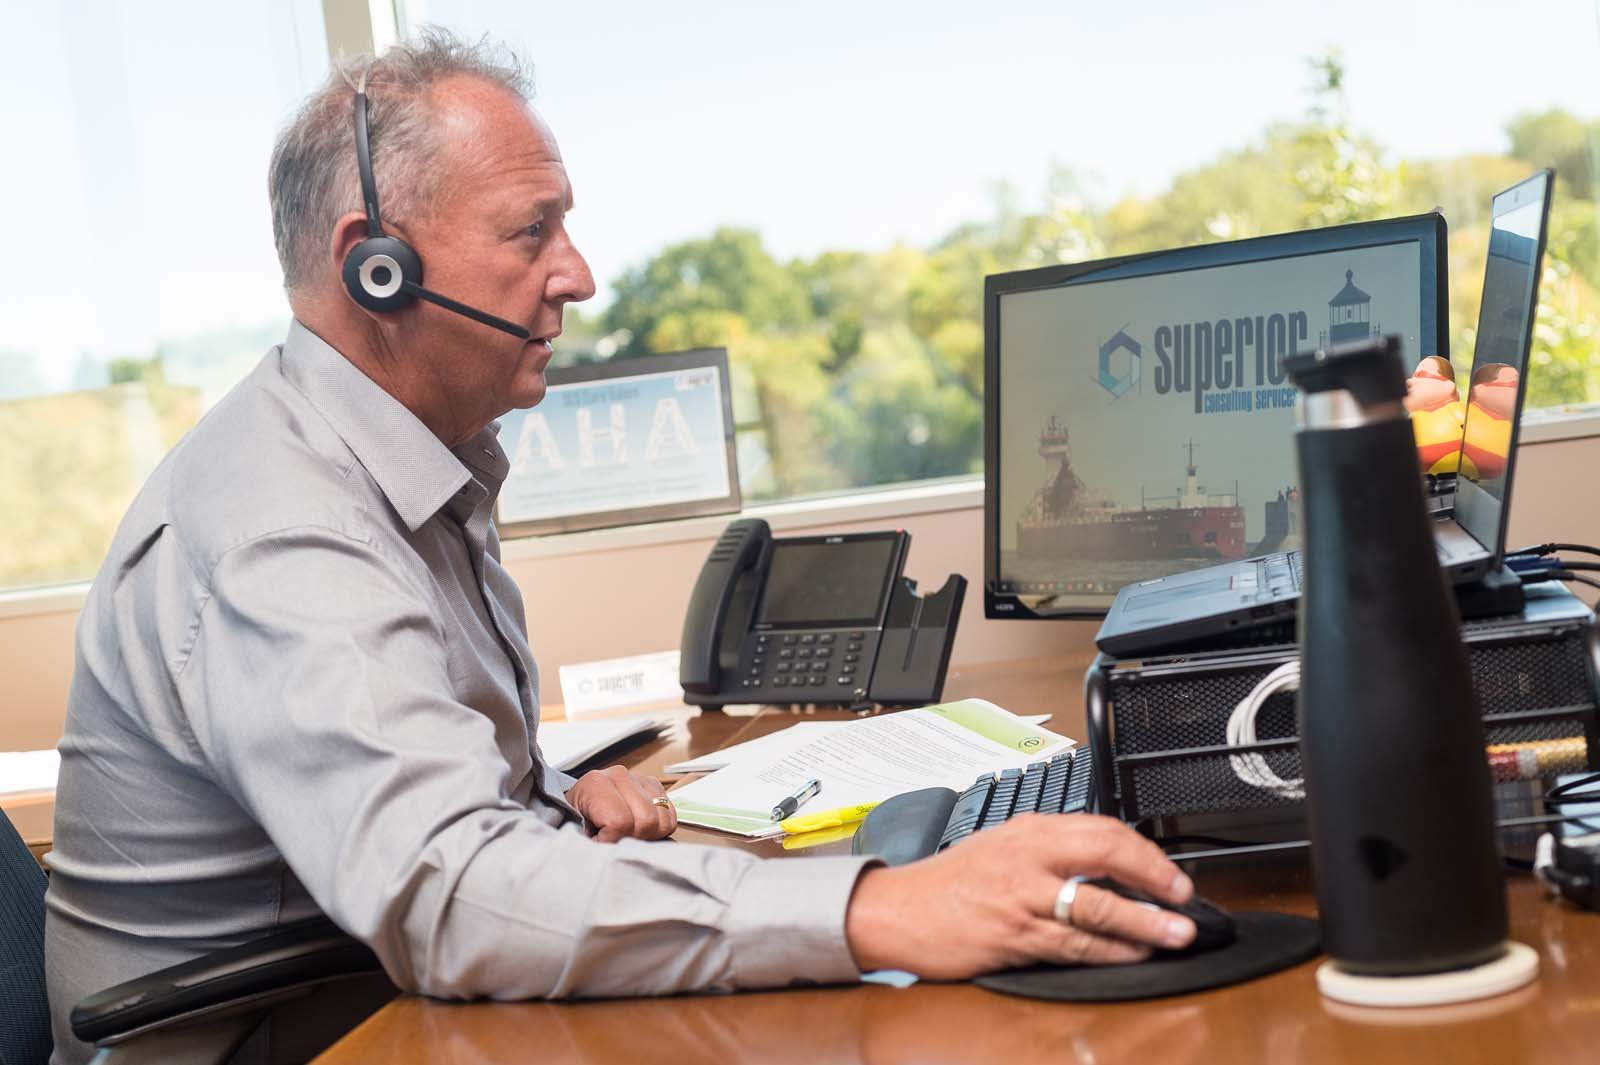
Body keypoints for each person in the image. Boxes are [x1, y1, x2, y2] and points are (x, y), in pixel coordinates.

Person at [43, 29, 1194, 1064]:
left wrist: (543, 792)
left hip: (351, 985)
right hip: (273, 1035)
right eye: (530, 230)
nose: (578, 276)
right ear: (373, 266)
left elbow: (381, 769)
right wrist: (881, 907)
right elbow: (445, 894)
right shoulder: (282, 525)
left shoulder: (394, 458)